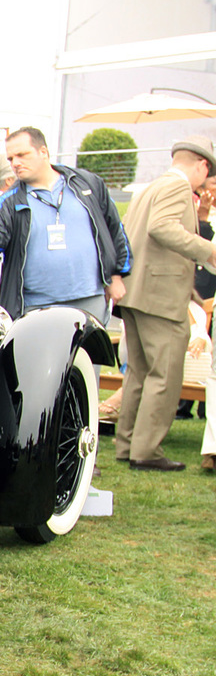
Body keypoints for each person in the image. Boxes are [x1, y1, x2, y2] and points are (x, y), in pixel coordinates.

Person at [112, 136, 216, 472]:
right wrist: (208, 250)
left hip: (138, 292)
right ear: (202, 165)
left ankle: (128, 445)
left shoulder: (151, 187)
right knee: (165, 376)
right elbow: (162, 228)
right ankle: (147, 450)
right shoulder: (177, 188)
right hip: (160, 296)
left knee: (139, 374)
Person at [0, 126, 130, 322]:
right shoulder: (9, 201)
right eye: (11, 159)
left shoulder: (88, 184)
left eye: (22, 155)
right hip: (35, 307)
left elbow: (116, 230)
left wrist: (116, 275)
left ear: (43, 152)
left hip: (90, 299)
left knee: (86, 354)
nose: (16, 163)